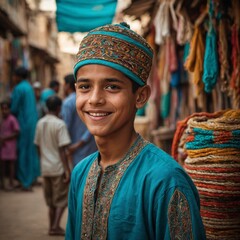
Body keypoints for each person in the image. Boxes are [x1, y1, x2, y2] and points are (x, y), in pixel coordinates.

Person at [66, 22, 206, 239]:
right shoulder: (81, 173)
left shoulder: (166, 180)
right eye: (85, 87)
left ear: (140, 96)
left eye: (112, 86)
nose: (94, 99)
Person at [34, 95, 71, 236]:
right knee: (61, 200)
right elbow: (63, 150)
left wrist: (43, 160)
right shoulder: (59, 124)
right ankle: (55, 226)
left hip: (45, 168)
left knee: (51, 202)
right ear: (58, 108)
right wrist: (67, 170)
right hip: (57, 168)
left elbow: (37, 146)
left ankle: (51, 226)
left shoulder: (40, 123)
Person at [11, 66, 40, 191]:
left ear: (17, 76)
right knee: (31, 150)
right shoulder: (29, 87)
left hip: (23, 123)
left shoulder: (18, 88)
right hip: (32, 122)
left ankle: (25, 182)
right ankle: (32, 178)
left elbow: (14, 108)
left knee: (23, 152)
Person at [61, 74, 97, 168]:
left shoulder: (68, 103)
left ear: (68, 85)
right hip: (89, 145)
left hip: (74, 147)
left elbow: (65, 127)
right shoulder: (88, 100)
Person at [0, 100, 20, 190]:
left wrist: (5, 138)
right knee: (2, 165)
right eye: (3, 109)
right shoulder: (2, 119)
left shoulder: (12, 119)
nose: (4, 111)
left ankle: (11, 183)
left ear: (9, 109)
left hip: (10, 145)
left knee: (11, 165)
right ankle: (3, 184)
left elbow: (17, 132)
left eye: (6, 109)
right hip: (3, 146)